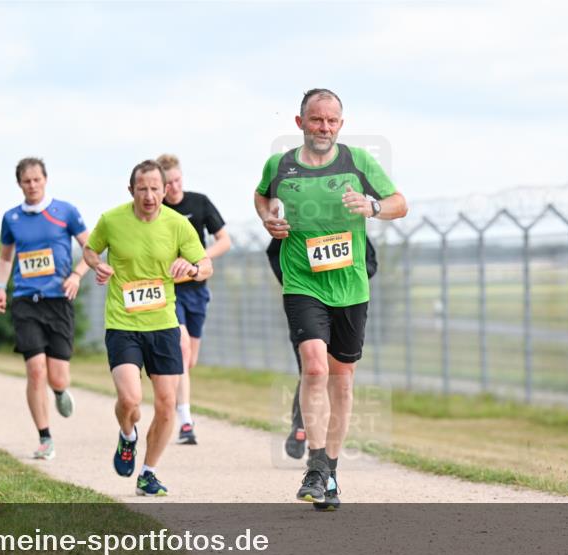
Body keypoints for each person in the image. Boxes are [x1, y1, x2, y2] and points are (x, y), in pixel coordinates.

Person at [254, 88, 407, 509]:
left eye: (331, 121)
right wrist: (269, 218)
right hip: (302, 280)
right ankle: (317, 465)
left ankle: (331, 471)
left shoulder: (358, 162)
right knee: (315, 367)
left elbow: (400, 203)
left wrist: (372, 207)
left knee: (342, 379)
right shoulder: (280, 165)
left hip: (351, 286)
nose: (324, 127)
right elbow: (262, 194)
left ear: (341, 124)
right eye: (316, 120)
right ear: (300, 123)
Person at [82, 159, 212, 497]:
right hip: (123, 323)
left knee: (167, 405)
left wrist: (193, 269)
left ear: (166, 190)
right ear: (131, 191)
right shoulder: (111, 220)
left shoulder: (178, 224)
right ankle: (127, 436)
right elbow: (89, 250)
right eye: (143, 189)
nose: (150, 195)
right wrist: (99, 265)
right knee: (130, 399)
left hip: (163, 325)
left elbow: (206, 264)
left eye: (156, 188)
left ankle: (148, 472)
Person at [0, 157, 89, 461]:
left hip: (58, 302)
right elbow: (6, 257)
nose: (32, 185)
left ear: (45, 179)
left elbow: (92, 249)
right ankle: (45, 438)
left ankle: (60, 391)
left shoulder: (66, 212)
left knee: (57, 376)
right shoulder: (11, 218)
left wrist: (76, 275)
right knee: (36, 370)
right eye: (26, 181)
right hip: (25, 301)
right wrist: (0, 287)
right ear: (19, 184)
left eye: (37, 179)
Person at [267, 235, 378, 460]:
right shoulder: (299, 216)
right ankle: (306, 438)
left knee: (336, 377)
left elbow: (370, 262)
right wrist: (295, 278)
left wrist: (346, 276)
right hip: (306, 297)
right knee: (314, 370)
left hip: (344, 299)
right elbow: (274, 252)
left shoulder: (347, 218)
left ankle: (325, 456)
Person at [156, 153, 232, 445]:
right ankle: (185, 422)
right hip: (168, 292)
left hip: (197, 290)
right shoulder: (157, 210)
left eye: (177, 180)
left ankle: (171, 396)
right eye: (169, 183)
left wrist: (198, 262)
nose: (174, 187)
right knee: (182, 348)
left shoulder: (199, 202)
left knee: (189, 361)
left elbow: (225, 241)